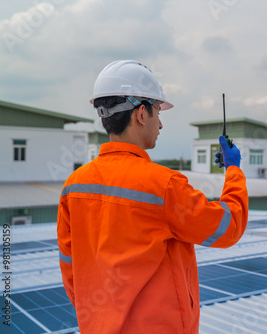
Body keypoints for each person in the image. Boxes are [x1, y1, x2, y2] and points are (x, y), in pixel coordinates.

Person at [57, 60, 248, 333]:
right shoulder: (164, 186)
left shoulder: (73, 186)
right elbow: (228, 227)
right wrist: (233, 171)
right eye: (158, 110)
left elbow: (70, 267)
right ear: (141, 114)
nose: (160, 124)